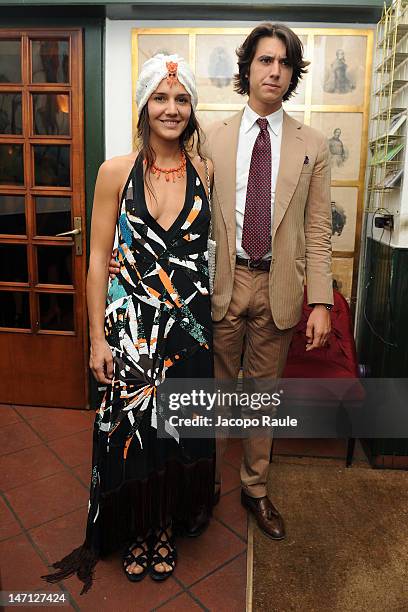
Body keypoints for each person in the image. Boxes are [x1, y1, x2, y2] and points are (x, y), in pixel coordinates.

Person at [110, 23, 333, 542]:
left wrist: (320, 300)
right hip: (220, 287)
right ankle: (200, 484)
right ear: (247, 69)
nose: (274, 70)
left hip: (277, 287)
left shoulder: (312, 145)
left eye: (283, 63)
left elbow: (319, 226)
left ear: (292, 72)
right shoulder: (209, 136)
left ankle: (254, 489)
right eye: (264, 61)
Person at [42, 53, 215, 594]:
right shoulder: (115, 171)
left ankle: (163, 523)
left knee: (176, 431)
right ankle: (135, 527)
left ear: (191, 108)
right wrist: (95, 338)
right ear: (144, 105)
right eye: (160, 98)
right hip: (131, 326)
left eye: (181, 98)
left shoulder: (205, 170)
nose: (171, 108)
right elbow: (96, 258)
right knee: (133, 432)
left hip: (189, 329)